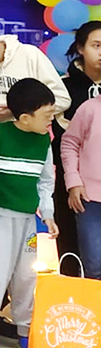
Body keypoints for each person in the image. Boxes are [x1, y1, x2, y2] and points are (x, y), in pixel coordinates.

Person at [0, 78, 59, 348]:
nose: (51, 121)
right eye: (46, 116)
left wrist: (49, 214)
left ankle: (25, 331)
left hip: (27, 222)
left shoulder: (44, 140)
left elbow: (46, 182)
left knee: (26, 276)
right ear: (24, 117)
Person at [53, 21, 101, 270]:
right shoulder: (63, 87)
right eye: (96, 45)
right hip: (70, 178)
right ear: (81, 48)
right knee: (76, 244)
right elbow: (66, 140)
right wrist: (73, 179)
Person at [62, 86, 101, 280]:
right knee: (93, 264)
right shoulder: (89, 109)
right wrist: (73, 182)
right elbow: (69, 143)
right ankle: (91, 308)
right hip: (89, 197)